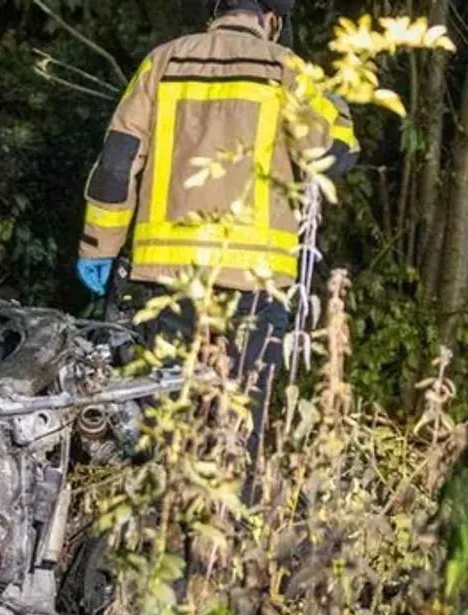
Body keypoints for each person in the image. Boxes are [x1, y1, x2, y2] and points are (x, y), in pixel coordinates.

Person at [75, 0, 358, 485]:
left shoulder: (163, 62)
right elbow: (338, 153)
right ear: (272, 19)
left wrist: (97, 248)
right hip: (255, 289)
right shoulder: (289, 71)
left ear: (216, 11)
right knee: (239, 439)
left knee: (161, 433)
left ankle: (150, 541)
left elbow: (116, 165)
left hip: (165, 285)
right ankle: (224, 550)